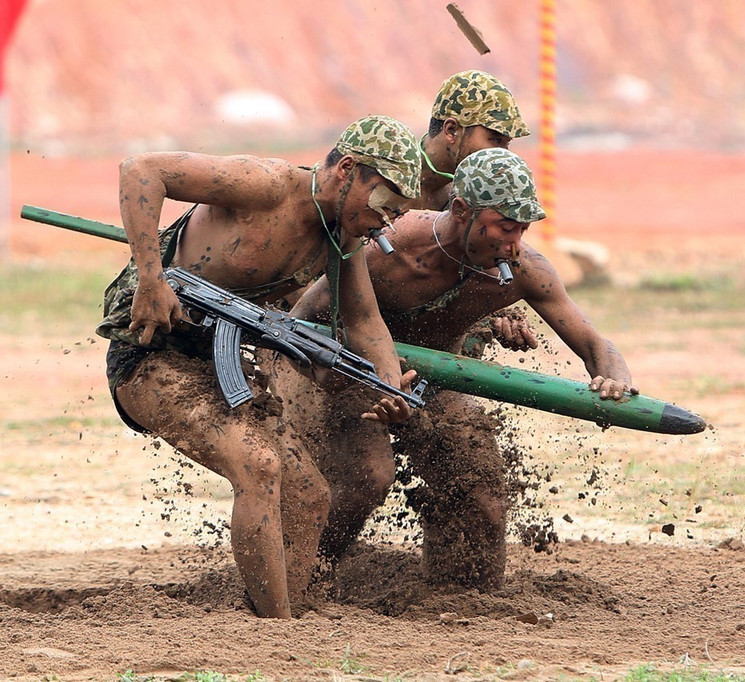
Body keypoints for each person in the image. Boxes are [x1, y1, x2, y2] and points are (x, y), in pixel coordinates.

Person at [94, 115, 423, 618]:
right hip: (149, 354)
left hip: (218, 366)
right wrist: (150, 279)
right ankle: (276, 630)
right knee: (258, 465)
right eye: (383, 202)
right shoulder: (267, 186)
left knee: (310, 494)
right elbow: (141, 170)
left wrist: (389, 386)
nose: (388, 220)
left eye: (397, 212)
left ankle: (283, 609)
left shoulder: (343, 241)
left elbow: (364, 321)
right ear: (348, 170)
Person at [283, 148, 638, 590]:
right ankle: (300, 580)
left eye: (523, 230)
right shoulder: (388, 248)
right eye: (505, 228)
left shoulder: (526, 269)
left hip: (436, 384)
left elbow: (595, 344)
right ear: (460, 211)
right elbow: (299, 321)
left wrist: (615, 378)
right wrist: (338, 376)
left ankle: (464, 596)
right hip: (354, 375)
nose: (514, 244)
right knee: (367, 479)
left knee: (481, 487)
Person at [413, 69, 530, 211]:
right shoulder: (389, 176)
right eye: (496, 140)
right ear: (451, 130)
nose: (503, 155)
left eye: (507, 144)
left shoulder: (474, 196)